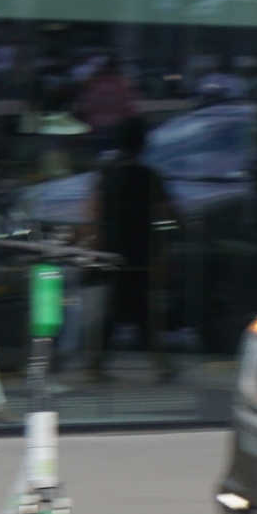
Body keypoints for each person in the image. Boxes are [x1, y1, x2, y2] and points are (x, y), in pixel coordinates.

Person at [90, 116, 167, 380]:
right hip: (140, 253)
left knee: (121, 309)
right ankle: (160, 364)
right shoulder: (147, 176)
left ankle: (97, 363)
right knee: (138, 311)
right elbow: (166, 212)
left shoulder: (107, 175)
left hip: (113, 253)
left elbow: (96, 213)